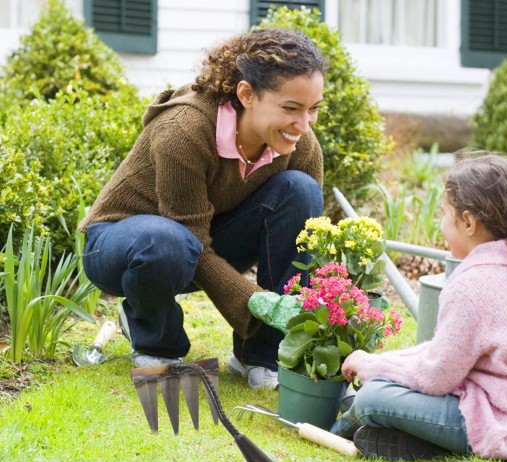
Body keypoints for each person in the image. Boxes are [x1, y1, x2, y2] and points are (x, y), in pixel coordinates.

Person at [80, 28, 328, 389]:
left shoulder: (299, 142)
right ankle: (155, 339)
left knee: (301, 191)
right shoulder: (185, 129)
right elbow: (190, 240)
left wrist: (324, 307)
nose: (303, 125)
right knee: (167, 241)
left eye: (313, 109)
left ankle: (260, 355)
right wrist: (259, 305)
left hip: (194, 241)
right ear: (246, 94)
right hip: (121, 243)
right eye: (290, 108)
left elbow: (309, 241)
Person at [330, 153, 507, 461]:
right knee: (382, 401)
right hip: (497, 404)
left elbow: (436, 376)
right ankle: (404, 441)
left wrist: (370, 367)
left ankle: (337, 428)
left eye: (444, 213)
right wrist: (383, 360)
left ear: (468, 222)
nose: (441, 224)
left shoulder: (472, 284)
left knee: (373, 398)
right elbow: (444, 352)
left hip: (495, 420)